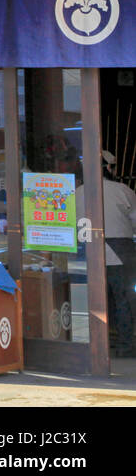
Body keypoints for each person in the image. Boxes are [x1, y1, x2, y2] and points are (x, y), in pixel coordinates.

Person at [77, 151, 136, 356]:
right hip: (121, 250)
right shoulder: (123, 190)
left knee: (92, 299)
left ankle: (94, 345)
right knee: (124, 299)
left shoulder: (78, 192)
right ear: (109, 168)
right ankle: (125, 345)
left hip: (86, 251)